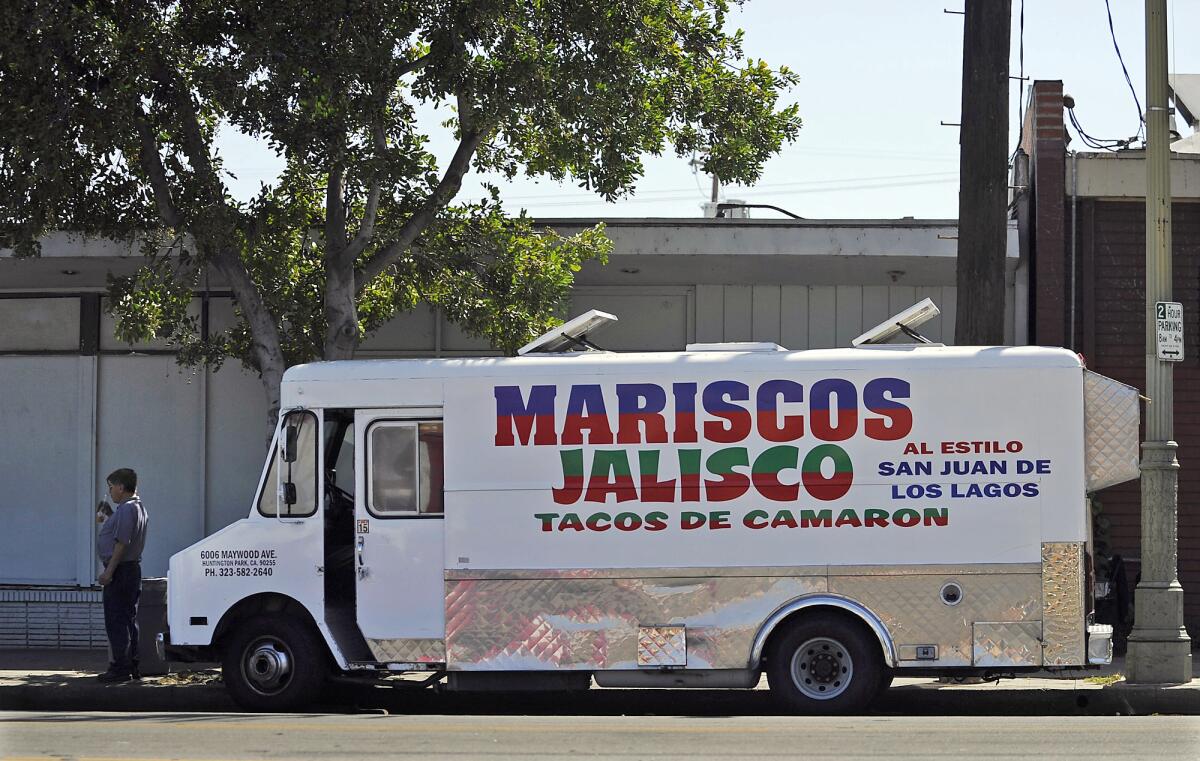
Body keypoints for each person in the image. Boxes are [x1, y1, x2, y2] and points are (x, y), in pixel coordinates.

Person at [96, 468, 149, 683]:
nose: (110, 492)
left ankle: (120, 668)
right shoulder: (136, 507)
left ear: (120, 487)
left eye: (111, 487)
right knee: (128, 620)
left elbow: (122, 543)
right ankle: (131, 665)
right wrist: (110, 515)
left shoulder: (127, 509)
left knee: (117, 621)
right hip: (129, 570)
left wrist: (109, 572)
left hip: (121, 571)